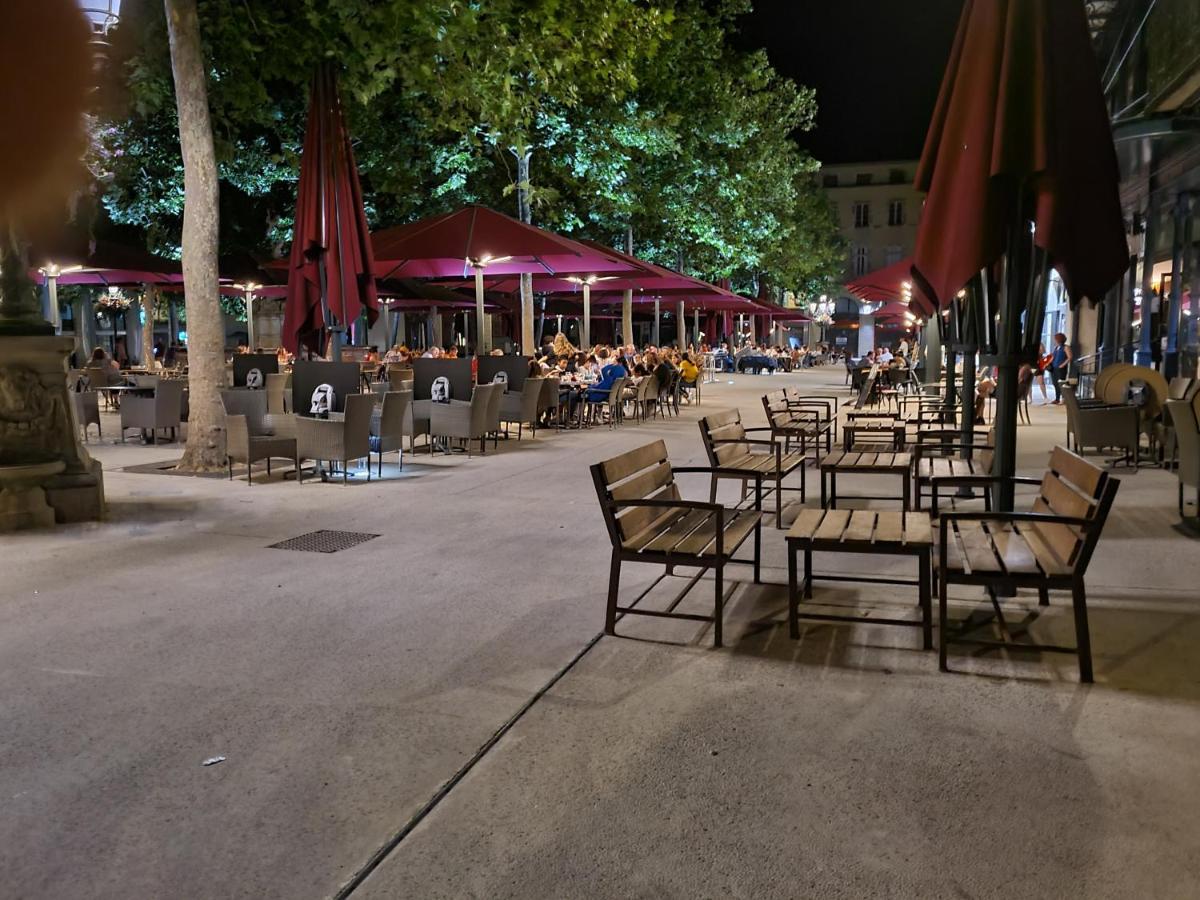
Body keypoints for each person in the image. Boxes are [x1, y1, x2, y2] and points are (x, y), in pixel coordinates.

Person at [1049, 332, 1071, 404]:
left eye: (1056, 339)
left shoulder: (1066, 347)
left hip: (1061, 368)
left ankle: (1063, 398)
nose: (1055, 340)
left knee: (1061, 383)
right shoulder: (1056, 347)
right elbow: (1053, 357)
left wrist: (1063, 365)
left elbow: (1070, 357)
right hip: (1054, 367)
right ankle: (1057, 398)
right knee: (1055, 383)